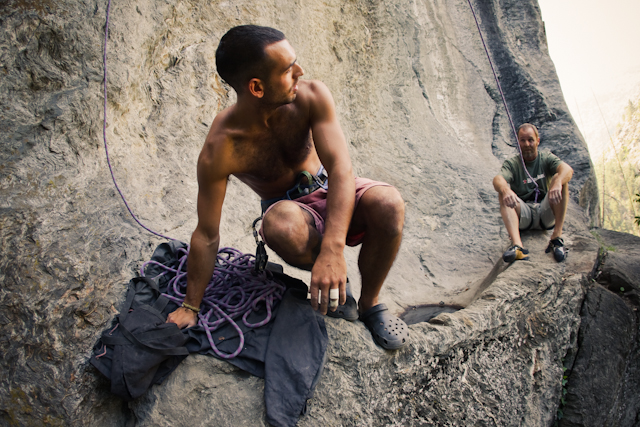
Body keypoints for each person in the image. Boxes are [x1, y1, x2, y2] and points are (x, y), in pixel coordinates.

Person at [166, 25, 408, 350]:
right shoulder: (222, 147)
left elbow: (341, 169)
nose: (300, 72)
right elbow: (207, 234)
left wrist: (333, 249)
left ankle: (370, 303)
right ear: (256, 87)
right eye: (287, 69)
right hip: (290, 213)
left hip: (332, 189)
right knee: (280, 225)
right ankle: (339, 288)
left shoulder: (310, 96)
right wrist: (190, 306)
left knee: (389, 203)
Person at [493, 123, 574, 263]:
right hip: (524, 215)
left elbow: (567, 170)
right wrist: (505, 190)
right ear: (518, 142)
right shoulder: (512, 163)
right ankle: (517, 246)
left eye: (530, 140)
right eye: (523, 140)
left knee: (561, 179)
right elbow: (498, 179)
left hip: (545, 212)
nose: (527, 144)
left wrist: (557, 182)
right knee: (502, 192)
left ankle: (556, 237)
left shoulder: (546, 158)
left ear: (538, 141)